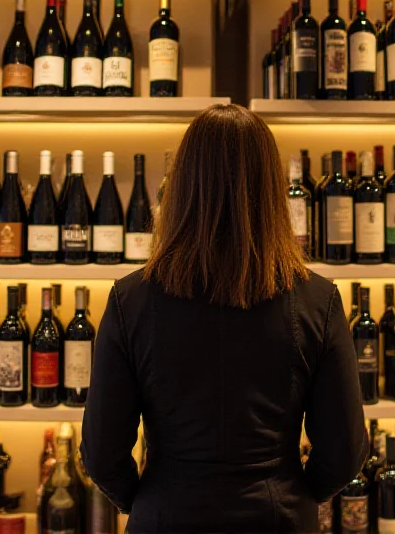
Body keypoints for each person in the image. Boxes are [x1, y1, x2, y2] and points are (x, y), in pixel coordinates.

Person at [81, 104, 368, 533]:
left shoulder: (130, 298)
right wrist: (297, 493)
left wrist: (144, 498)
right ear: (272, 188)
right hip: (278, 517)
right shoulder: (317, 298)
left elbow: (102, 454)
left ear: (180, 184)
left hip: (166, 515)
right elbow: (344, 453)